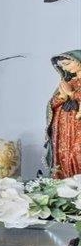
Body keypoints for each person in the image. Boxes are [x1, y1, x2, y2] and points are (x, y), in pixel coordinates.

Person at [46, 50, 81, 178]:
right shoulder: (68, 82)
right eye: (62, 65)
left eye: (67, 63)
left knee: (77, 153)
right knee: (64, 154)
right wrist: (62, 96)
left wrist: (72, 94)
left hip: (78, 126)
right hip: (64, 127)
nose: (64, 67)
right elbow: (52, 104)